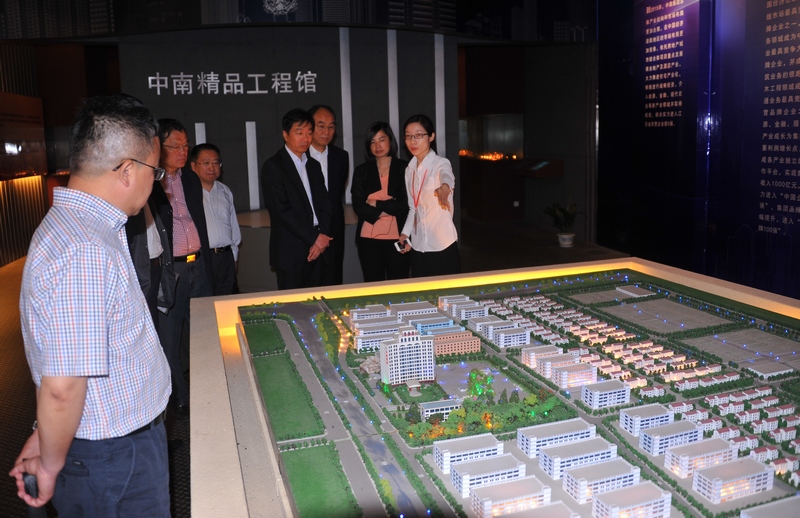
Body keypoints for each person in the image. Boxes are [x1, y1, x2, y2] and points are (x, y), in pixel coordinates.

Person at [9, 94, 172, 515]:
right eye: (156, 171)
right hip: (113, 458)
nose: (157, 182)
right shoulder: (85, 249)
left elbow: (58, 357)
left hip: (111, 446)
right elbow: (63, 387)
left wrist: (45, 434)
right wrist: (49, 464)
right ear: (127, 170)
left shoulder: (78, 227)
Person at [155, 118, 213, 420]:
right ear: (158, 146)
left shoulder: (190, 178)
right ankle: (180, 398)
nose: (182, 151)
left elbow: (198, 220)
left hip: (198, 264)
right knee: (171, 337)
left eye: (185, 145)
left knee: (205, 332)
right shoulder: (152, 181)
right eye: (175, 146)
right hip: (171, 269)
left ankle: (209, 388)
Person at [261, 108, 332, 290]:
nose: (305, 138)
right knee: (293, 304)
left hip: (319, 247)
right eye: (299, 133)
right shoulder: (273, 166)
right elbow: (281, 211)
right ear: (285, 135)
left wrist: (321, 239)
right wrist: (314, 238)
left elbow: (325, 204)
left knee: (319, 301)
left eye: (309, 133)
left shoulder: (313, 166)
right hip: (291, 251)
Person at [398, 114, 461, 277]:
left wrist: (445, 188)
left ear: (431, 136)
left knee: (448, 291)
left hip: (442, 246)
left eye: (418, 135)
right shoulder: (409, 170)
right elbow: (413, 208)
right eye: (408, 136)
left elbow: (447, 176)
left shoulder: (440, 163)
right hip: (419, 247)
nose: (412, 141)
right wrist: (405, 233)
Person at [351, 121, 411, 281]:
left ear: (390, 140)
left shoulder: (405, 168)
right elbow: (359, 206)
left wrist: (376, 203)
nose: (377, 145)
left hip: (398, 237)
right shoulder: (362, 171)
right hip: (368, 238)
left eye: (382, 140)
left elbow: (404, 204)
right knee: (373, 283)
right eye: (373, 141)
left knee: (398, 283)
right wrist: (390, 208)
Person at [190, 143, 242, 295]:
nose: (211, 168)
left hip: (226, 257)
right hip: (202, 258)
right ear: (193, 166)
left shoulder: (225, 191)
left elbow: (233, 228)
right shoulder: (189, 192)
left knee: (226, 302)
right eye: (206, 163)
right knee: (205, 303)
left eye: (215, 163)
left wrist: (234, 258)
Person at [308, 104, 349, 285]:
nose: (326, 132)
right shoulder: (299, 156)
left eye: (331, 127)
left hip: (334, 233)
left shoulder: (341, 157)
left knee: (333, 284)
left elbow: (336, 196)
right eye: (321, 126)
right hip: (307, 234)